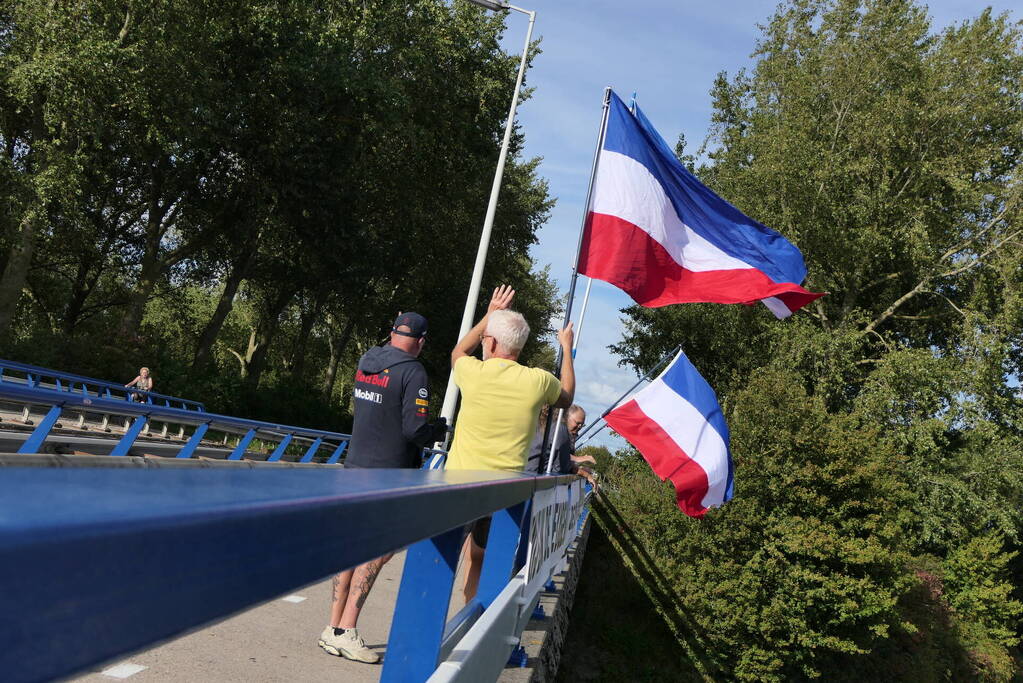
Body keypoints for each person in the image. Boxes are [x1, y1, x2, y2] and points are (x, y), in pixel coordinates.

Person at [317, 311, 446, 665]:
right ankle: (348, 630)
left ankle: (333, 627)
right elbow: (414, 430)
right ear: (420, 341)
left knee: (351, 546)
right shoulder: (413, 371)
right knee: (378, 551)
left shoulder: (367, 360)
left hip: (355, 465)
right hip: (390, 474)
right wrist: (438, 429)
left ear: (392, 333)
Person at [446, 284, 575, 602]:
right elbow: (567, 396)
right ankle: (472, 622)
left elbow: (458, 352)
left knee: (444, 559)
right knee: (480, 560)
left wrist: (488, 315)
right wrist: (567, 351)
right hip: (502, 492)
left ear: (489, 341)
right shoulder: (538, 381)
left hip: (456, 486)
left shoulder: (473, 371)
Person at [526, 404, 595, 485]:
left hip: (528, 474)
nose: (579, 427)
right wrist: (585, 474)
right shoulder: (560, 429)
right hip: (535, 479)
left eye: (582, 425)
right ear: (566, 417)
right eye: (577, 423)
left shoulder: (549, 424)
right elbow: (562, 467)